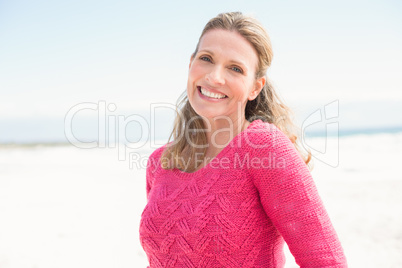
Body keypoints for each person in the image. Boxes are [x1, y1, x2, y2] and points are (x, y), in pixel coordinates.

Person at [139, 12, 347, 267]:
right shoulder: (160, 162)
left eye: (235, 68)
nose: (215, 77)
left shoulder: (265, 148)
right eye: (206, 59)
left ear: (255, 87)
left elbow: (325, 260)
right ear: (191, 63)